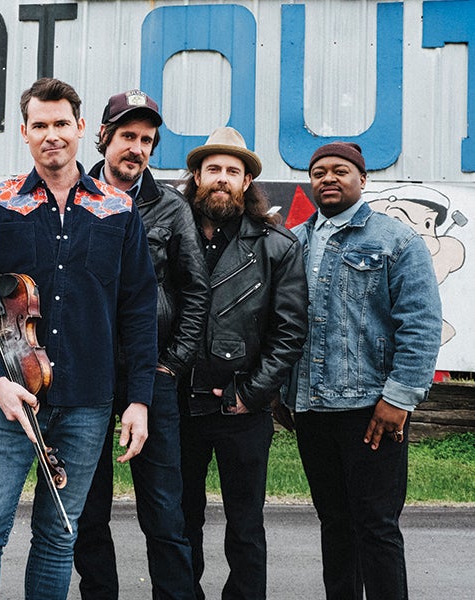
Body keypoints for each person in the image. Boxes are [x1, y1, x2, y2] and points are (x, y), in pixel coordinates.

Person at [0, 77, 158, 600]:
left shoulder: (118, 209)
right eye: (39, 125)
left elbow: (138, 309)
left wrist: (138, 399)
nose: (52, 135)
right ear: (24, 132)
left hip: (88, 401)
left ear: (81, 128)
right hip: (11, 396)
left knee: (59, 534)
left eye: (62, 123)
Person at [287, 142, 442, 600]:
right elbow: (281, 323)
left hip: (372, 410)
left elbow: (420, 323)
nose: (328, 179)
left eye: (340, 170)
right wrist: (282, 391)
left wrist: (399, 399)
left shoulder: (397, 240)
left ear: (362, 179)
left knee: (376, 526)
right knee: (334, 523)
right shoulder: (293, 241)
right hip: (311, 410)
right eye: (319, 172)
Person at [73, 89, 209, 600]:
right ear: (103, 136)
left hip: (152, 377)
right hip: (85, 376)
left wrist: (170, 366)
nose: (137, 148)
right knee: (88, 510)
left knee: (165, 512)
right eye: (127, 136)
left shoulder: (171, 207)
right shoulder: (74, 198)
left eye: (147, 140)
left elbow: (196, 292)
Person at [178, 127, 307, 599]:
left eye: (232, 171)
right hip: (178, 405)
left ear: (247, 182)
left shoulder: (277, 246)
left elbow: (289, 332)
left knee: (246, 525)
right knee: (178, 523)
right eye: (212, 169)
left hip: (242, 410)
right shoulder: (170, 235)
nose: (222, 178)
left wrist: (250, 394)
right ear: (196, 177)